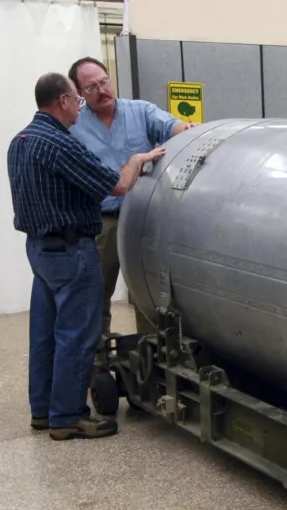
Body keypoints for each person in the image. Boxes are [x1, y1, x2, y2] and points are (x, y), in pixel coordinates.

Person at [8, 72, 165, 440]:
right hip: (71, 251)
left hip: (39, 249)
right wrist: (138, 158)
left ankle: (44, 411)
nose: (81, 107)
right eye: (77, 99)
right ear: (62, 101)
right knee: (77, 334)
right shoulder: (59, 144)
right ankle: (67, 416)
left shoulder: (21, 140)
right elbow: (118, 184)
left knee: (45, 334)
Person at [68, 57, 197, 342]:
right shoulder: (74, 126)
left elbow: (170, 126)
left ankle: (151, 360)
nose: (102, 90)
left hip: (141, 217)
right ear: (79, 94)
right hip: (101, 223)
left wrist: (188, 130)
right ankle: (98, 362)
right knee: (95, 294)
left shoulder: (140, 112)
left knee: (148, 293)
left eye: (104, 81)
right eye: (91, 87)